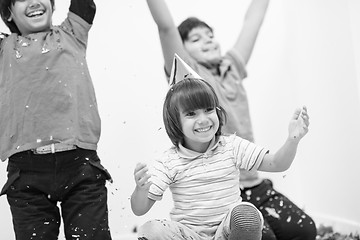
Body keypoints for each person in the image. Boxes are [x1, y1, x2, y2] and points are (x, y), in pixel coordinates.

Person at [144, 0, 317, 239]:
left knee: (304, 229)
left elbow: (252, 23)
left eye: (210, 35)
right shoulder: (190, 77)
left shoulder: (232, 66)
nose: (207, 40)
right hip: (219, 195)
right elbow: (166, 28)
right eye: (196, 39)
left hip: (254, 184)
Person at [131, 77, 310, 240]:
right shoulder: (169, 161)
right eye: (191, 114)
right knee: (150, 230)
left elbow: (277, 163)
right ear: (175, 122)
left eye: (208, 110)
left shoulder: (231, 146)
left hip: (226, 233)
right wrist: (141, 189)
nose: (203, 119)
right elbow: (140, 209)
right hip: (188, 235)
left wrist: (292, 140)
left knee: (246, 214)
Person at [0, 0, 112, 239]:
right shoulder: (3, 49)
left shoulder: (72, 32)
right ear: (8, 12)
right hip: (26, 174)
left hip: (81, 167)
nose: (33, 2)